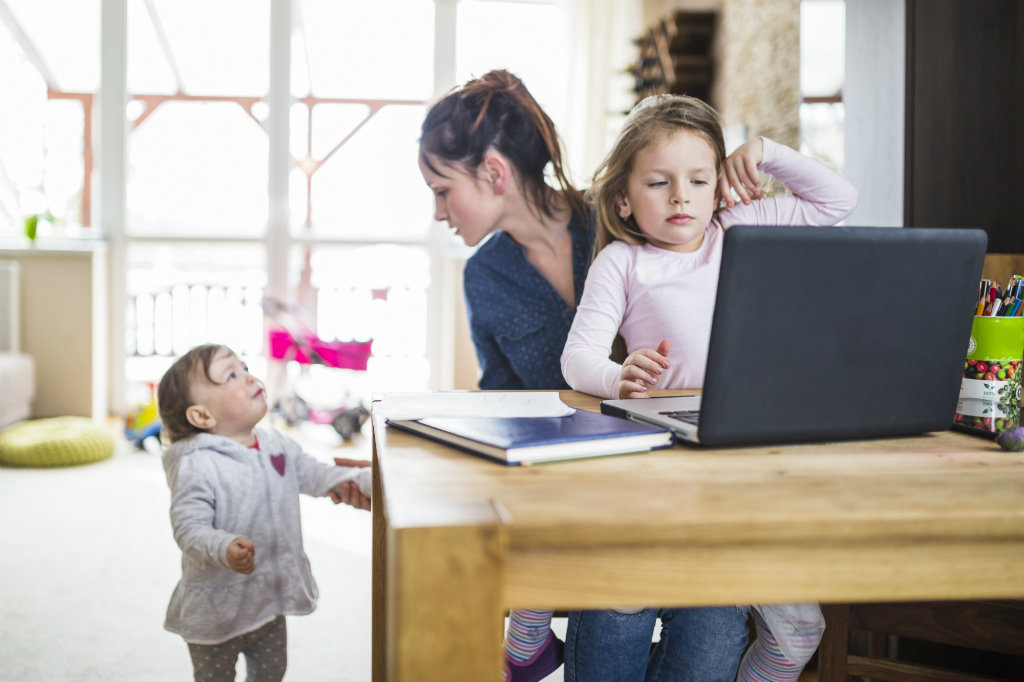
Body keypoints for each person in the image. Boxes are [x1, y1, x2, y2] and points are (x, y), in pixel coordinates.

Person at [560, 94, 857, 681]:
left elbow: (837, 200)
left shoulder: (738, 226)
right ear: (623, 197)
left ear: (719, 186)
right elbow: (577, 360)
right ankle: (530, 619)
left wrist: (764, 154)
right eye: (659, 182)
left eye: (699, 180)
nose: (681, 196)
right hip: (659, 458)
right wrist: (618, 377)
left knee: (783, 625)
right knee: (619, 593)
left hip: (739, 457)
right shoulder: (623, 261)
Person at [419, 69, 595, 682]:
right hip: (565, 476)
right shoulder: (484, 276)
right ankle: (527, 634)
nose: (438, 211)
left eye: (443, 190)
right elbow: (502, 403)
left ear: (493, 172)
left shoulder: (613, 222)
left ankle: (527, 640)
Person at [157, 343, 372, 682]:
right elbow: (188, 528)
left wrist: (362, 480)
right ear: (202, 416)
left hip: (268, 599)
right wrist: (223, 547)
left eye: (244, 367)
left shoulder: (276, 445)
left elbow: (318, 476)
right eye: (231, 375)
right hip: (217, 612)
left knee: (272, 672)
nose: (249, 376)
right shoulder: (196, 465)